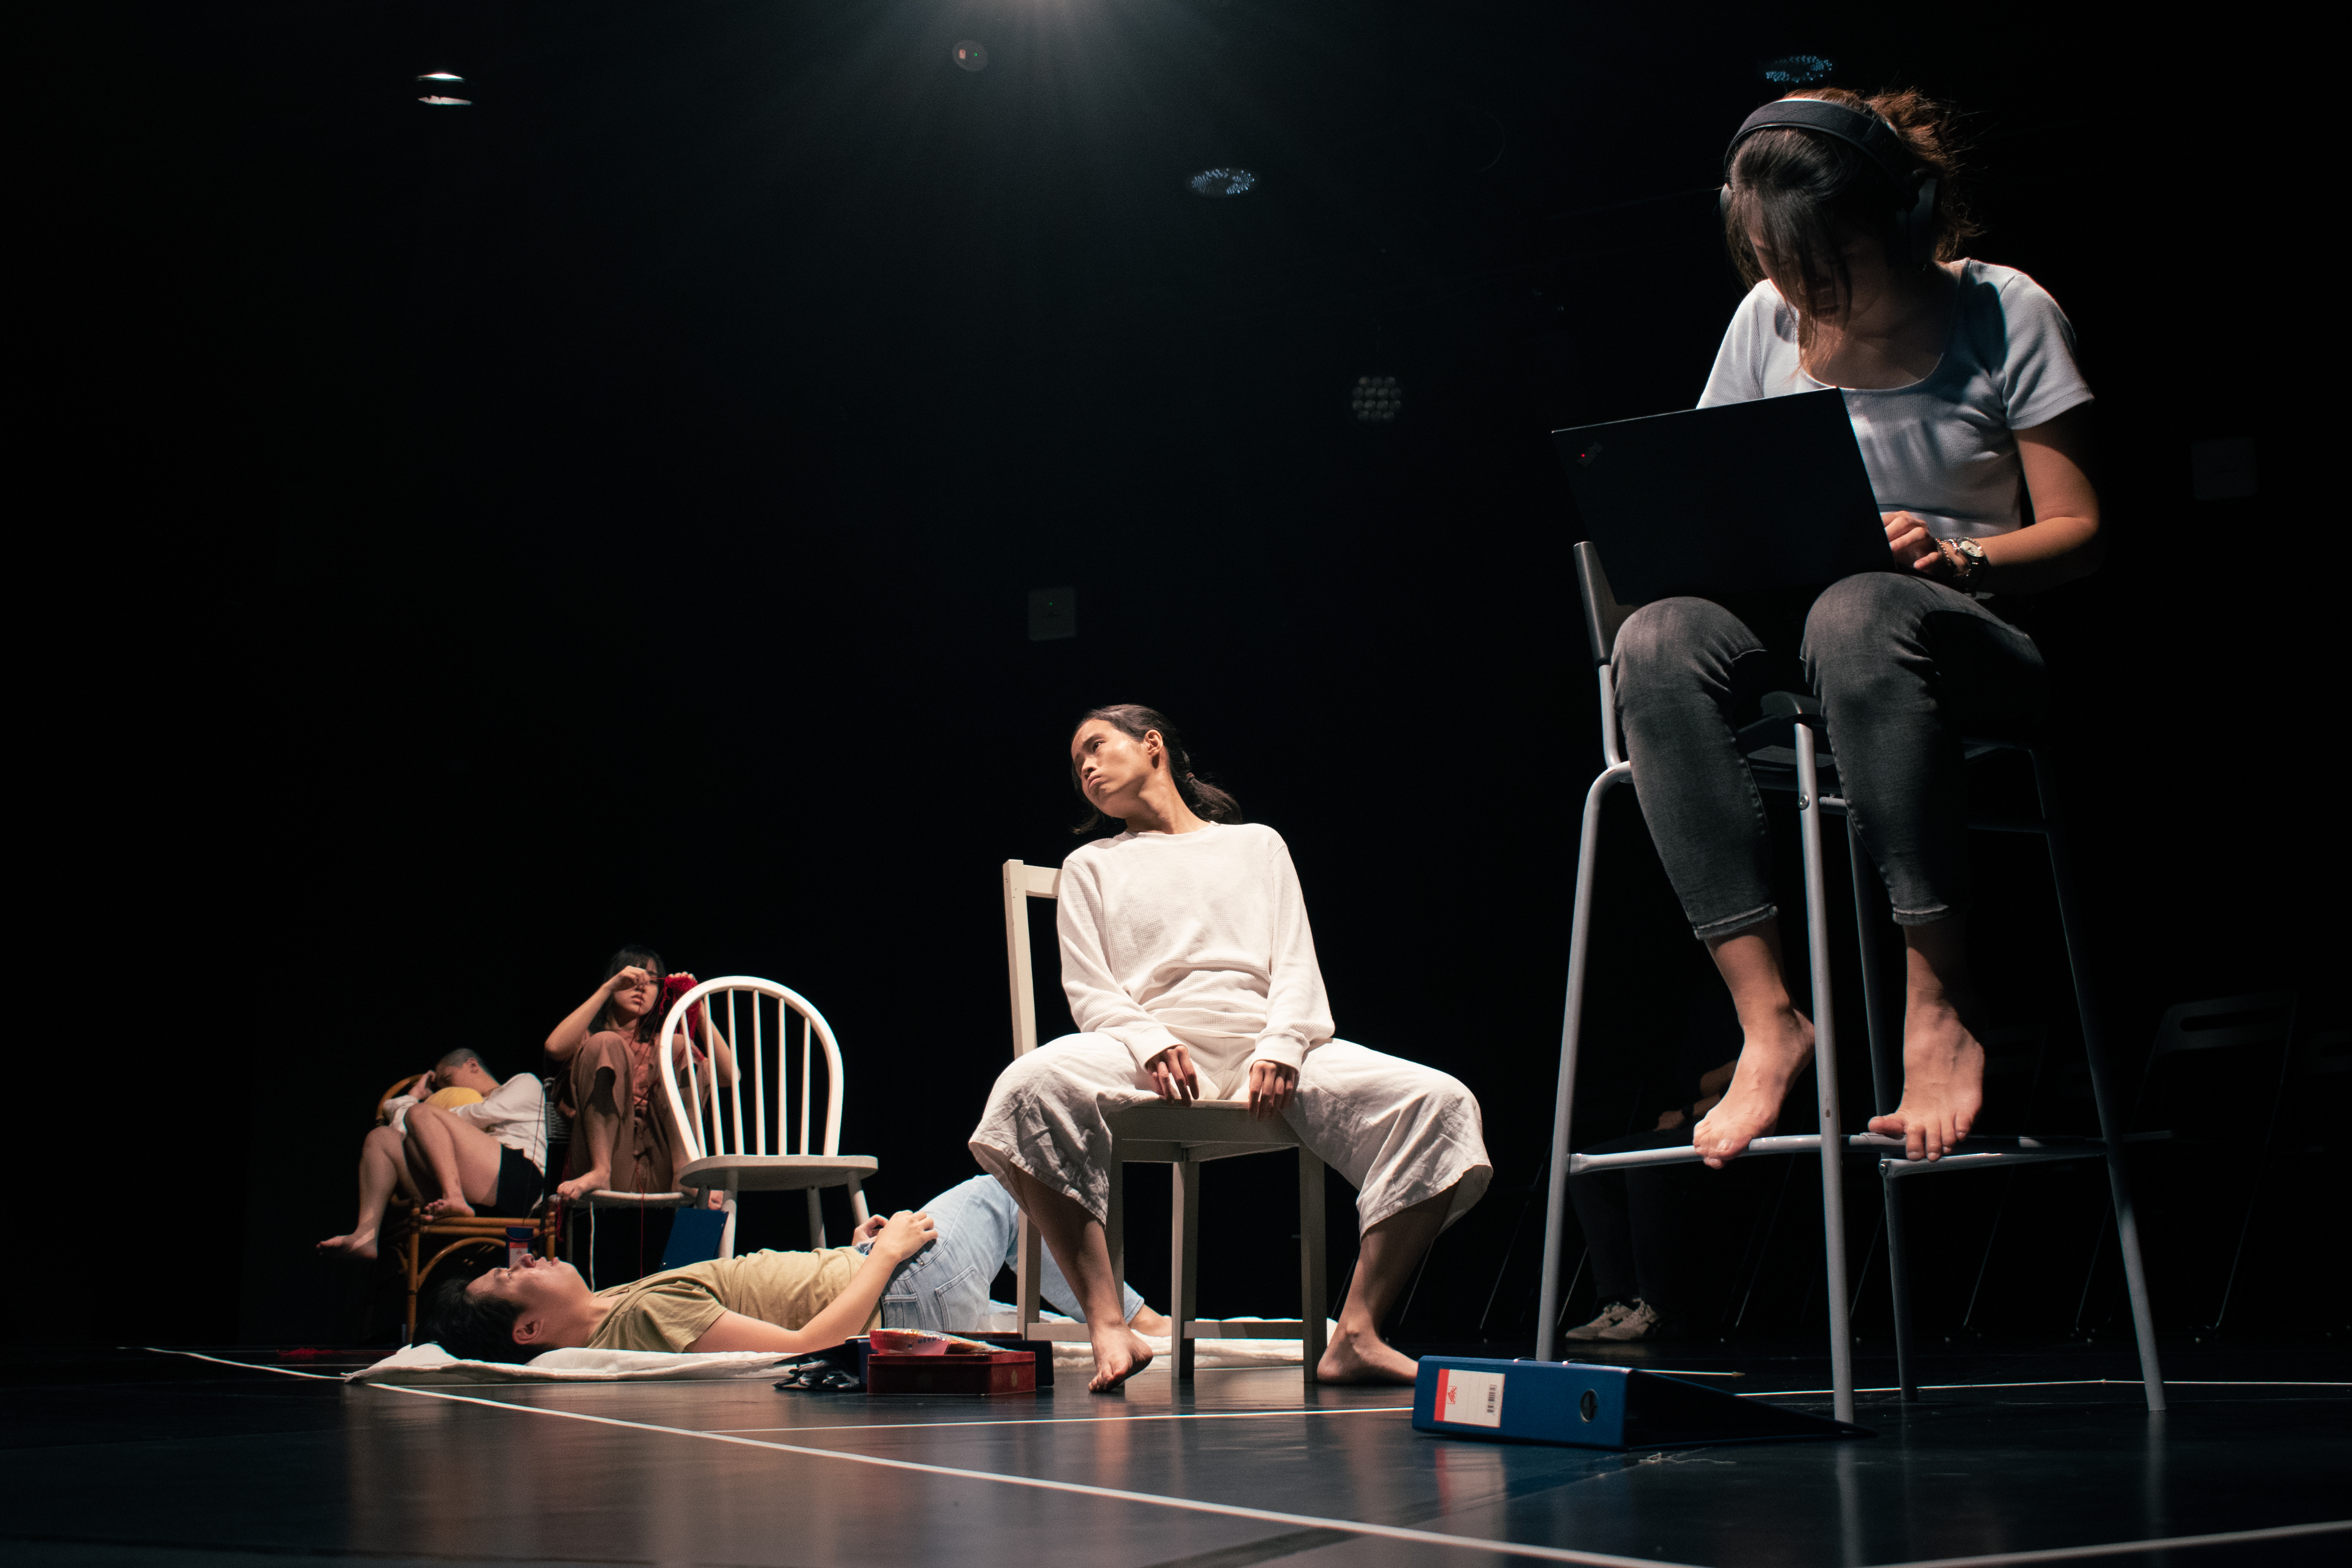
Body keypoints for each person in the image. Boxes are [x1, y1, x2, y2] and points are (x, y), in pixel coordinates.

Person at [1616, 87, 2102, 1172]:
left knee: (1859, 605)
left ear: (1897, 221)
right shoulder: (1763, 323)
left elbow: (2078, 532)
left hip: (1965, 643)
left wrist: (1953, 553)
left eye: (1818, 264)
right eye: (1775, 267)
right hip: (1804, 649)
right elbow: (1709, 502)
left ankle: (1939, 999)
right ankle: (1765, 1018)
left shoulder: (2002, 308)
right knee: (1652, 637)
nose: (1798, 293)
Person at [970, 705, 1492, 1390]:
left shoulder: (1256, 846)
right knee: (1025, 1089)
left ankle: (1356, 1333)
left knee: (1439, 1102)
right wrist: (1151, 1038)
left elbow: (1295, 964)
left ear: (1152, 745)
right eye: (1077, 766)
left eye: (1096, 748)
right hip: (1146, 1050)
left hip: (1266, 1044)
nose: (1086, 769)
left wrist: (1280, 1045)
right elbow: (1091, 991)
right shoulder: (1090, 865)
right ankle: (1109, 1326)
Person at [421, 1174, 1173, 1362]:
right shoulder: (640, 1317)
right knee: (1008, 1186)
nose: (537, 1259)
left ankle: (1131, 1314)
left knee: (993, 1202)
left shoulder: (613, 1305)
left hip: (877, 1277)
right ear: (529, 1327)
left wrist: (858, 1250)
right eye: (514, 1276)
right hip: (898, 1299)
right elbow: (811, 1346)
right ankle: (1138, 1320)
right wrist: (881, 1260)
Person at [545, 947, 735, 1205]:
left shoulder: (664, 1044)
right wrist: (608, 988)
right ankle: (600, 1171)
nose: (642, 985)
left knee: (679, 1044)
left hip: (662, 1167)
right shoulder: (589, 1038)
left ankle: (684, 1172)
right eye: (633, 977)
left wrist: (695, 1005)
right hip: (607, 1166)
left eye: (651, 979)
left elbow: (729, 1076)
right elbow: (554, 1048)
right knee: (607, 1043)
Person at [318, 1049, 548, 1258]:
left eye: (448, 1080)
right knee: (381, 1139)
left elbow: (480, 1115)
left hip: (520, 1181)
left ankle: (454, 1197)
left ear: (472, 1065)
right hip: (475, 1189)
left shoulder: (523, 1082)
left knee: (421, 1115)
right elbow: (402, 1129)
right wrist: (412, 1100)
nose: (446, 1091)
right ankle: (365, 1235)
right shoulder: (441, 1116)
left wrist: (419, 1107)